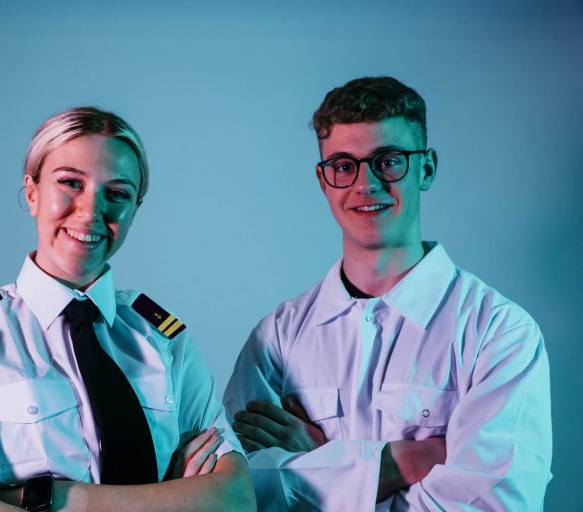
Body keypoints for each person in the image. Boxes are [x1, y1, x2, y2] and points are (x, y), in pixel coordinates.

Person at [0, 106, 255, 512]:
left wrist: (51, 497)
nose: (91, 212)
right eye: (70, 183)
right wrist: (173, 499)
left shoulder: (164, 340)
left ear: (135, 209)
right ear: (32, 192)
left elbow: (235, 499)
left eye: (117, 194)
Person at [223, 77, 552, 511]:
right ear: (323, 181)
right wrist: (397, 462)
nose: (366, 184)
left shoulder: (499, 333)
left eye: (388, 161)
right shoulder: (277, 339)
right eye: (344, 166)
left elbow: (496, 505)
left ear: (426, 169)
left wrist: (319, 462)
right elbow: (235, 495)